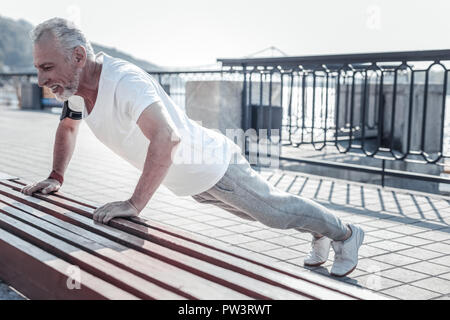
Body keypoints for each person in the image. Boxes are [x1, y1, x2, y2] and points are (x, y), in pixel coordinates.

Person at [21, 17, 364, 277]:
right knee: (267, 214)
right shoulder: (77, 92)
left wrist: (134, 204)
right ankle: (320, 229)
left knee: (275, 213)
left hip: (212, 165)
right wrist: (56, 176)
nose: (41, 80)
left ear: (79, 56)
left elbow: (166, 137)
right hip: (189, 181)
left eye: (47, 67)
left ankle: (345, 233)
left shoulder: (125, 82)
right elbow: (67, 127)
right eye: (38, 69)